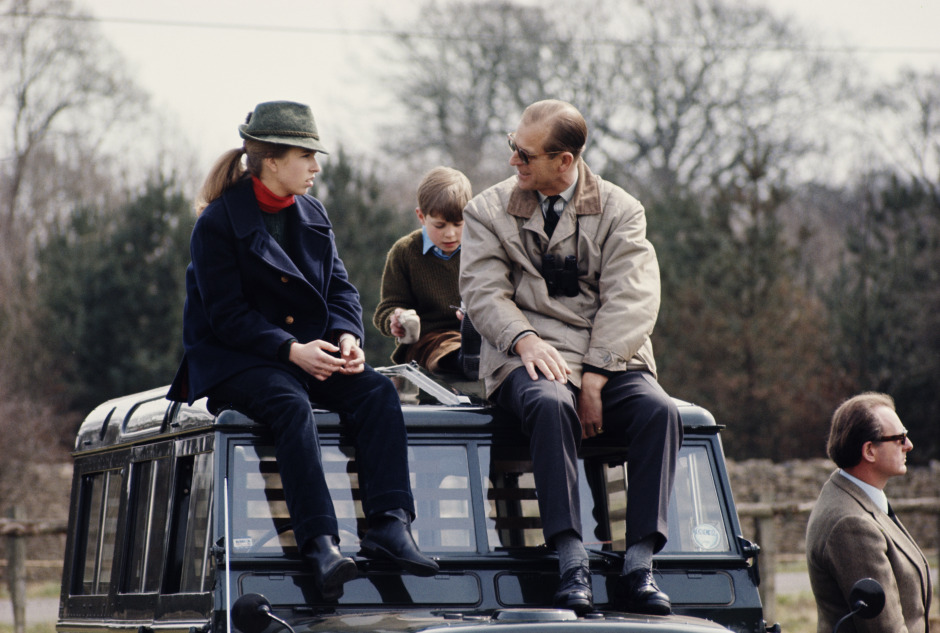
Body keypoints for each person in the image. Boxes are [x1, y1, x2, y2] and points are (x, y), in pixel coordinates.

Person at [167, 100, 438, 601]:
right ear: (271, 160)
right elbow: (226, 316)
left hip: (308, 352)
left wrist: (348, 337)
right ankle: (320, 546)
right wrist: (291, 349)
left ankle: (389, 524)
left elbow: (340, 289)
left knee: (376, 393)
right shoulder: (218, 223)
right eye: (306, 155)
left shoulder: (313, 212)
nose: (316, 166)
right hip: (236, 359)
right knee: (290, 405)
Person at [459, 99, 682, 615]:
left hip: (611, 354)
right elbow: (483, 291)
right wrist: (524, 339)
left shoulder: (621, 210)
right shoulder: (487, 211)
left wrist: (597, 375)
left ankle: (640, 565)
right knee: (548, 404)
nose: (513, 161)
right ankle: (571, 560)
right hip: (524, 352)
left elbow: (633, 298)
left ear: (565, 161)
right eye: (513, 147)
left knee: (661, 413)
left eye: (525, 154)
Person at [806, 393, 932, 633]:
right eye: (899, 438)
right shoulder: (851, 524)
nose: (909, 445)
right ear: (869, 451)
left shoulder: (855, 497)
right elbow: (885, 629)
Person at [373, 166, 471, 374]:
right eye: (440, 225)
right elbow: (387, 308)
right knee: (446, 346)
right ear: (421, 216)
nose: (450, 234)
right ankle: (461, 358)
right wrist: (396, 319)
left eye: (458, 224)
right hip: (427, 342)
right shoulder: (405, 252)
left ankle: (472, 355)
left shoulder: (480, 249)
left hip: (475, 335)